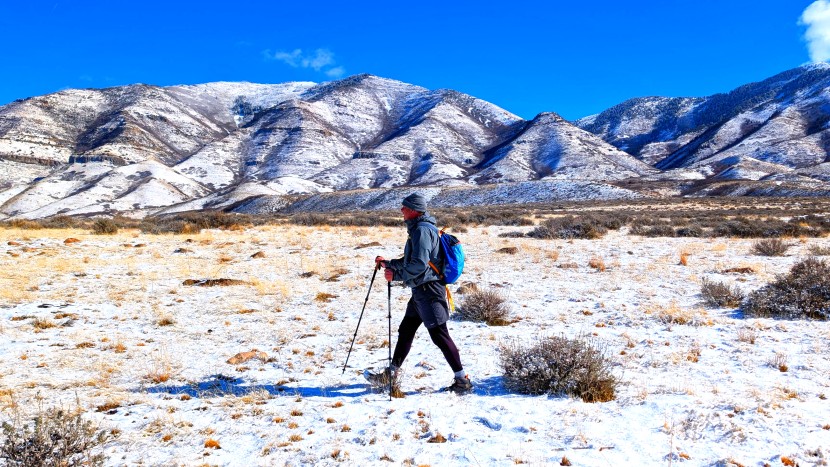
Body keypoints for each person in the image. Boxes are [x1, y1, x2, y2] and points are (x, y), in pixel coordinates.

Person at [366, 193, 473, 394]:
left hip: (429, 291)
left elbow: (418, 265)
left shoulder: (422, 231)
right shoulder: (420, 229)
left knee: (440, 335)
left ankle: (462, 380)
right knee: (406, 330)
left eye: (404, 207)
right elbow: (410, 260)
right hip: (420, 291)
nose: (401, 210)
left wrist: (395, 276)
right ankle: (391, 373)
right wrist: (388, 264)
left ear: (414, 209)